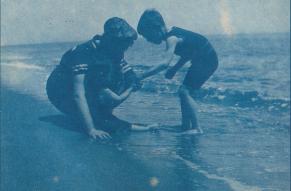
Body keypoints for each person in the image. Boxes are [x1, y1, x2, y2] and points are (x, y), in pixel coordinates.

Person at [46, 17, 166, 140]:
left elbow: (129, 74)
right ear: (112, 41)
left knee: (125, 77)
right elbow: (78, 93)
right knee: (102, 123)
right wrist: (91, 129)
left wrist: (133, 81)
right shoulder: (83, 53)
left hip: (84, 86)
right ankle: (97, 117)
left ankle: (101, 113)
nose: (124, 50)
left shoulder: (113, 49)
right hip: (59, 91)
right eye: (123, 46)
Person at [137, 9, 219, 134]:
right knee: (184, 91)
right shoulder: (174, 34)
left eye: (149, 36)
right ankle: (186, 126)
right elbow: (189, 52)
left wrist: (140, 76)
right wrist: (175, 69)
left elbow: (164, 63)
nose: (149, 40)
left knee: (184, 91)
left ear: (156, 28)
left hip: (207, 60)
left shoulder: (172, 38)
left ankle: (197, 128)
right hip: (203, 58)